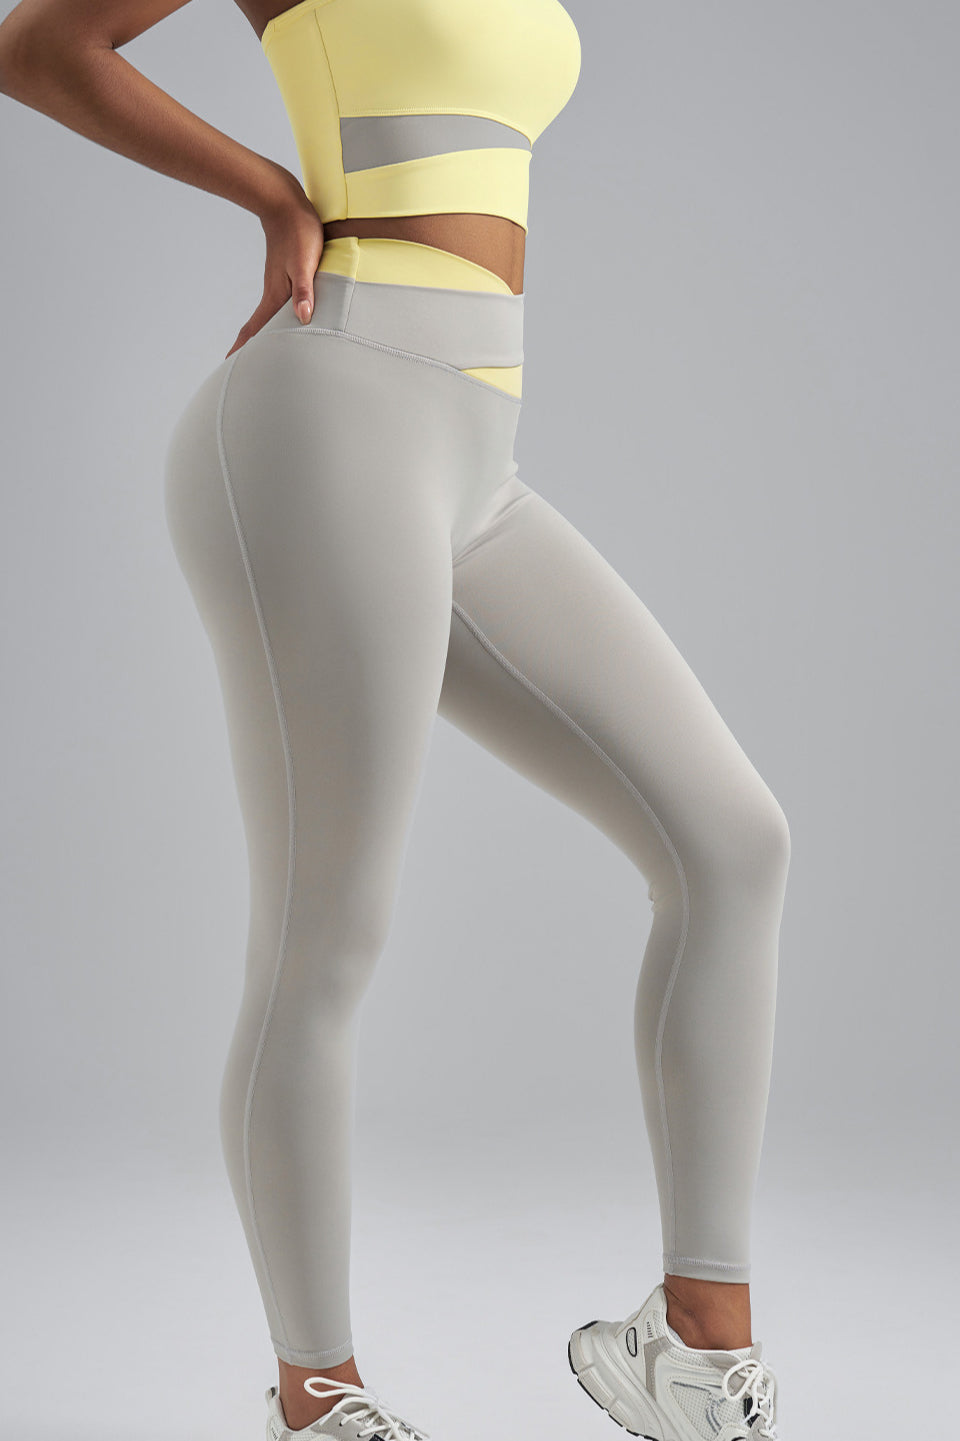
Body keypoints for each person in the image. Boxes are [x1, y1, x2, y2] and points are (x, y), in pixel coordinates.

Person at [0, 2, 791, 1439]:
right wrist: (270, 191)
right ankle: (319, 1398)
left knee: (733, 843)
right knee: (328, 934)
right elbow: (40, 46)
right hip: (327, 411)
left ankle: (692, 1348)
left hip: (478, 462)